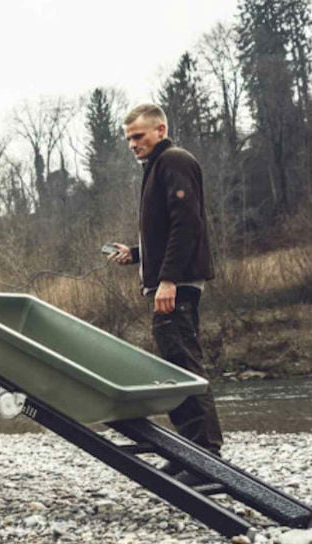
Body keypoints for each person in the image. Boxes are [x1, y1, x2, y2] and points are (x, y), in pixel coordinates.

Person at [108, 104, 223, 483]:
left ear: (160, 130)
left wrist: (168, 280)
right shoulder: (156, 166)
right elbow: (165, 232)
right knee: (175, 368)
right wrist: (137, 254)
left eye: (139, 136)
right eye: (128, 138)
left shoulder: (174, 160)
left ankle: (205, 458)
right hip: (169, 281)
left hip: (177, 285)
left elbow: (187, 224)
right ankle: (191, 452)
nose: (132, 144)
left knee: (184, 367)